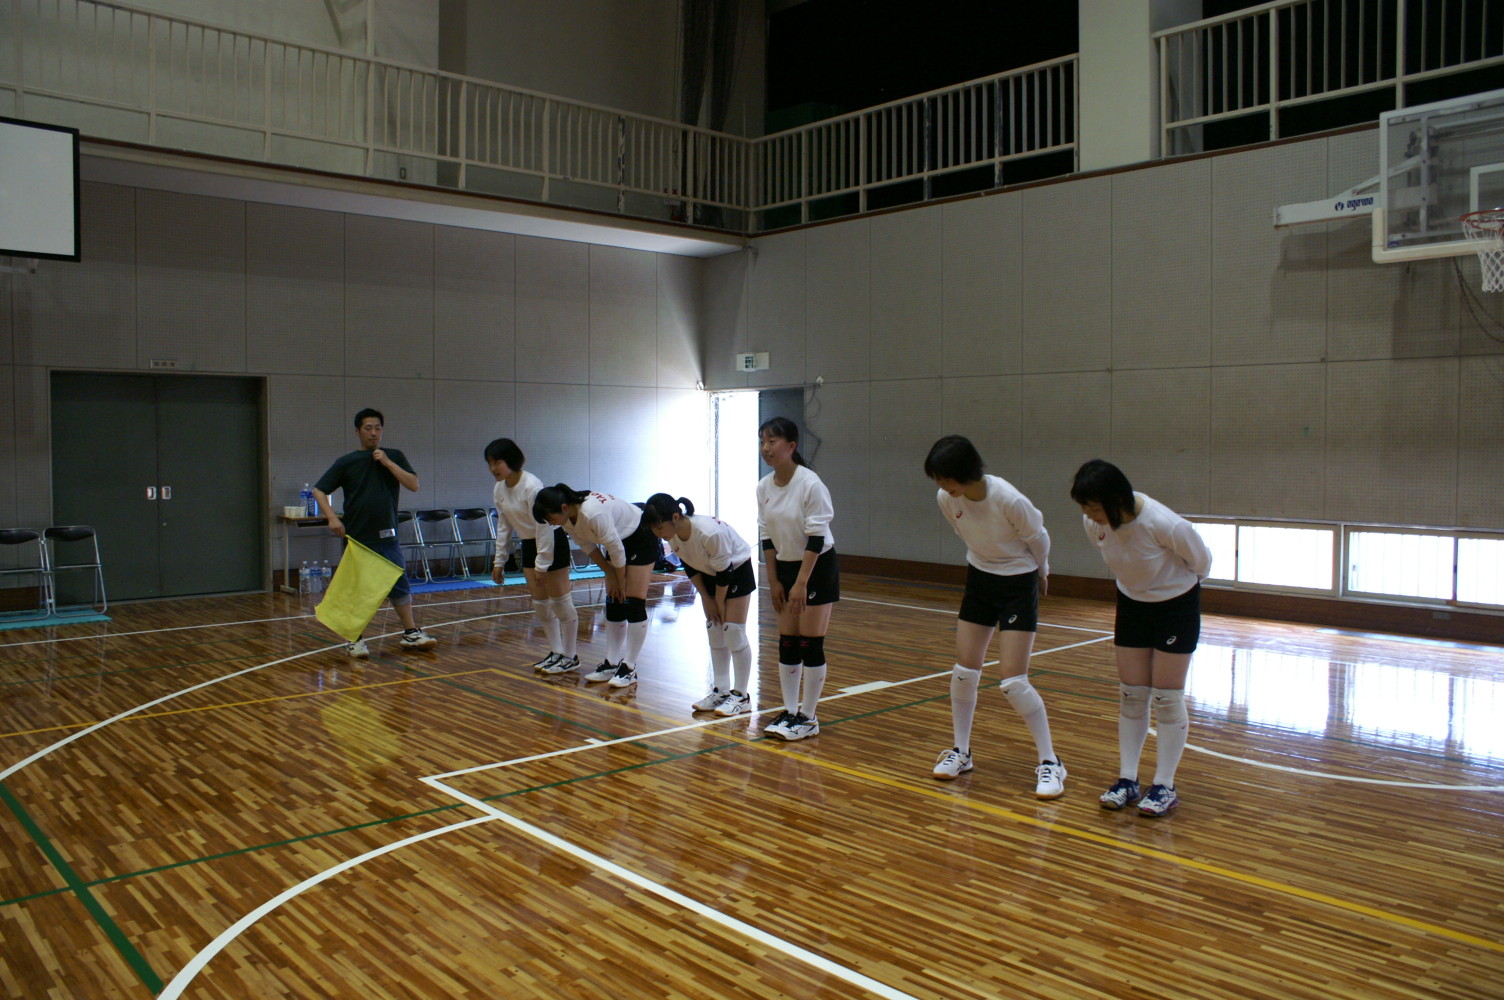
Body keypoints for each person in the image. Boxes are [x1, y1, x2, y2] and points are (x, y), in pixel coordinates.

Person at [924, 435, 1066, 798]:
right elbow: (966, 533)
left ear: (966, 472)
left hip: (1018, 582)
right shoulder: (946, 498)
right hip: (980, 579)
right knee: (964, 672)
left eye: (946, 478)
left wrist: (1043, 571)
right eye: (938, 479)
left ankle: (1051, 762)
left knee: (1014, 681)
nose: (942, 486)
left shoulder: (1008, 499)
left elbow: (1039, 538)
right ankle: (961, 751)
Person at [1070, 459, 1212, 818]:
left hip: (1176, 606)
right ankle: (1128, 780)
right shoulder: (1094, 523)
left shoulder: (1164, 524)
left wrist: (1168, 589)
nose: (1089, 516)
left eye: (1095, 508)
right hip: (1132, 604)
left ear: (1117, 499)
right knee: (1132, 695)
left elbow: (1202, 562)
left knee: (1166, 698)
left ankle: (1164, 785)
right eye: (1085, 508)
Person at [312, 408, 437, 656]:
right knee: (356, 588)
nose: (373, 433)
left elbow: (413, 484)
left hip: (388, 533)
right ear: (357, 431)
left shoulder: (394, 456)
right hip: (357, 536)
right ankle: (354, 639)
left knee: (398, 581)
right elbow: (319, 490)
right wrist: (332, 517)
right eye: (368, 428)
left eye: (377, 428)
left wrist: (388, 463)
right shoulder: (346, 462)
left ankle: (411, 633)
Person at [756, 416, 839, 742]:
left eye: (772, 441)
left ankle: (808, 716)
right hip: (785, 567)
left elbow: (816, 537)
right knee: (788, 642)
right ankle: (790, 711)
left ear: (791, 446)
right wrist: (775, 581)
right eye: (762, 441)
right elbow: (766, 537)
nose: (766, 448)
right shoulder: (763, 486)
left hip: (816, 567)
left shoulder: (810, 484)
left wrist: (801, 583)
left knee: (809, 643)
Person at [533, 485, 659, 688]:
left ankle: (629, 666)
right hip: (618, 540)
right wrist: (610, 574)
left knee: (632, 600)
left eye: (550, 518)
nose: (551, 524)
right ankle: (612, 663)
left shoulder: (592, 513)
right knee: (614, 600)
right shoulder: (567, 520)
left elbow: (616, 549)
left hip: (640, 535)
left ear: (564, 507)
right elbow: (589, 547)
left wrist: (620, 581)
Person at [643, 494, 756, 717]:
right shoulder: (673, 536)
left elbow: (725, 572)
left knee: (733, 631)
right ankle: (721, 691)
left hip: (736, 570)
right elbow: (690, 565)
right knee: (715, 629)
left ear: (675, 517)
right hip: (710, 573)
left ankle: (741, 696)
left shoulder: (709, 533)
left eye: (659, 527)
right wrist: (706, 597)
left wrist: (718, 603)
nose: (658, 534)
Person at [485, 438, 579, 674]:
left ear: (512, 460)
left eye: (497, 462)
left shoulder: (531, 485)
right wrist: (499, 561)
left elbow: (543, 525)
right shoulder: (499, 489)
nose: (493, 468)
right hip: (528, 544)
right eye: (490, 463)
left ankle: (570, 656)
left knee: (561, 603)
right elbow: (504, 525)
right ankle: (556, 652)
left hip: (551, 541)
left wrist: (542, 564)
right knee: (541, 605)